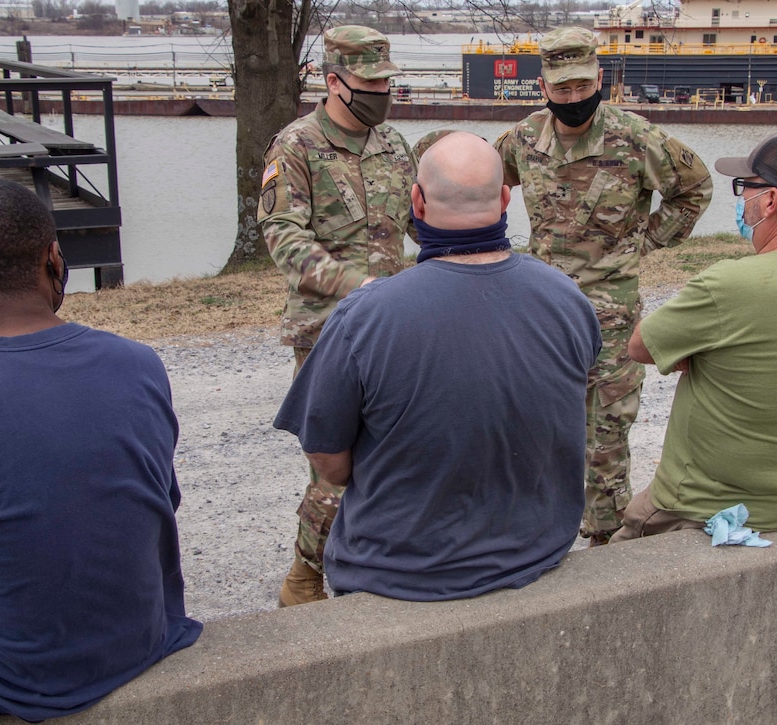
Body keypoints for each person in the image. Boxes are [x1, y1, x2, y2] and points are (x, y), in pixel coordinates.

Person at [0, 179, 202, 721]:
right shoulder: (141, 366)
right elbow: (152, 502)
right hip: (146, 637)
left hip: (16, 675)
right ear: (55, 259)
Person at [273, 132, 601, 600]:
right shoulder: (568, 299)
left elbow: (328, 460)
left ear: (416, 203)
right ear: (507, 200)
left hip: (397, 575)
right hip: (537, 555)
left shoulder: (365, 316)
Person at [494, 26, 712, 545]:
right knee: (536, 420)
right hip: (542, 308)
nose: (574, 99)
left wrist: (644, 241)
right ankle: (533, 530)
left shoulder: (636, 137)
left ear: (600, 80)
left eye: (582, 86)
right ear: (544, 87)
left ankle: (605, 539)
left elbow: (694, 188)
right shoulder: (524, 138)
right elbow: (485, 184)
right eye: (562, 89)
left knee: (606, 430)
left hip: (610, 313)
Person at [610, 134, 777, 541]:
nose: (740, 203)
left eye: (743, 189)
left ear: (769, 201)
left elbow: (640, 345)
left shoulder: (732, 283)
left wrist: (697, 352)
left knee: (618, 552)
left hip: (706, 504)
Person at [259, 25, 417, 607]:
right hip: (327, 333)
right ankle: (304, 576)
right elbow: (282, 236)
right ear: (334, 81)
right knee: (333, 466)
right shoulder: (295, 146)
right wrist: (360, 287)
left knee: (396, 451)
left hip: (394, 329)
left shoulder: (395, 146)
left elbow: (416, 226)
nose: (381, 92)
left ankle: (381, 562)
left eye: (386, 82)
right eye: (369, 83)